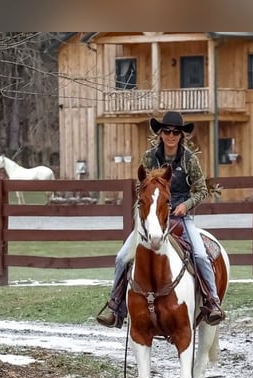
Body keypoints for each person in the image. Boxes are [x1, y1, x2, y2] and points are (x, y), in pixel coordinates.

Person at [96, 110, 224, 328]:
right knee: (121, 257)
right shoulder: (149, 157)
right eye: (167, 131)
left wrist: (186, 205)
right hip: (153, 217)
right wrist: (148, 201)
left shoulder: (189, 159)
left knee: (201, 255)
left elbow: (201, 190)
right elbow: (142, 186)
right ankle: (116, 306)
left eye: (176, 132)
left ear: (182, 135)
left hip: (179, 217)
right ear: (161, 133)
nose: (171, 135)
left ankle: (212, 302)